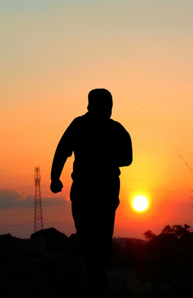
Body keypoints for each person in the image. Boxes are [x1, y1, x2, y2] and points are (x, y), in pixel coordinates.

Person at [50, 88, 133, 297]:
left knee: (102, 234)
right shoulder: (79, 125)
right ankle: (96, 274)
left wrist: (104, 159)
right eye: (106, 103)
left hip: (104, 189)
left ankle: (98, 274)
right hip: (86, 188)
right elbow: (62, 151)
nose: (109, 108)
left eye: (110, 103)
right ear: (91, 104)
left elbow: (128, 158)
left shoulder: (116, 129)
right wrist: (54, 177)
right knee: (87, 233)